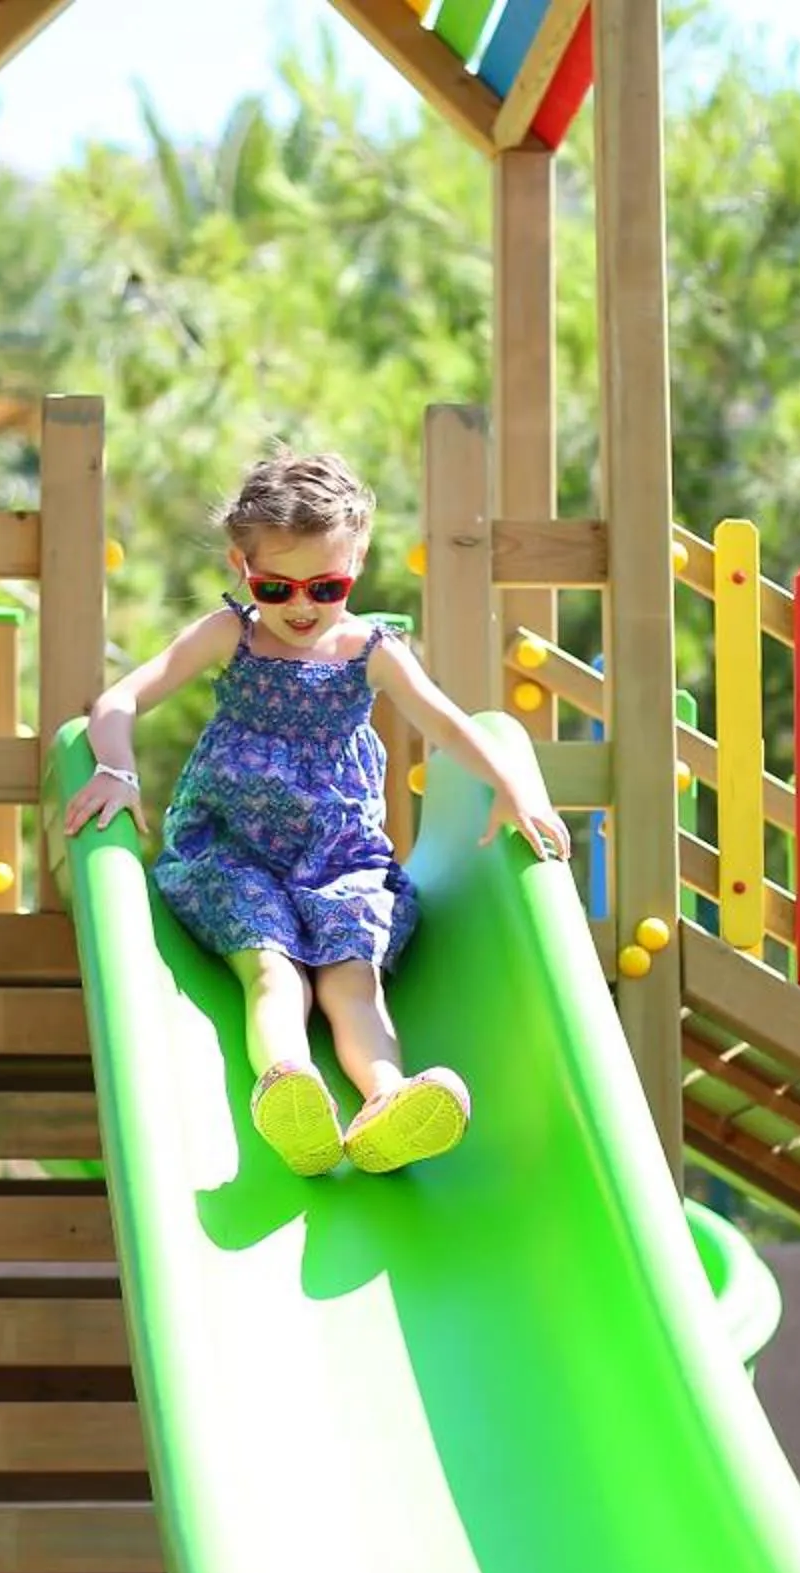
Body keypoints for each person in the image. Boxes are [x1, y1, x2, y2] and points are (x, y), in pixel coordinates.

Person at [60, 449, 570, 1177]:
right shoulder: (229, 635)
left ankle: (387, 1105)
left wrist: (519, 789)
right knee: (273, 973)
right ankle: (291, 1094)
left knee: (351, 980)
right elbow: (121, 699)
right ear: (242, 567)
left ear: (356, 562)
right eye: (277, 586)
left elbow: (454, 728)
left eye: (326, 586)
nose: (301, 607)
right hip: (233, 854)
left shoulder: (372, 649)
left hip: (341, 858)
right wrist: (117, 768)